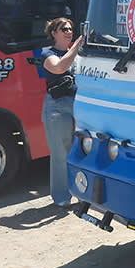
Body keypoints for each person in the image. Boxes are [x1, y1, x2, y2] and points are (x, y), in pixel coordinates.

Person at [41, 17, 83, 208]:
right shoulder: (47, 53)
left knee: (83, 149)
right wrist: (77, 46)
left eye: (70, 29)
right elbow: (59, 67)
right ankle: (61, 197)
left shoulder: (78, 54)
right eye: (63, 29)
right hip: (57, 107)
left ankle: (83, 192)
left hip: (79, 104)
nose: (68, 32)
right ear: (53, 33)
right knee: (60, 153)